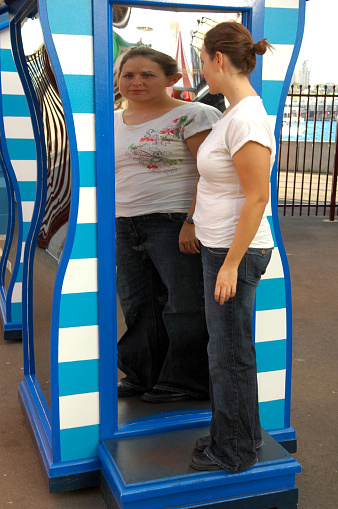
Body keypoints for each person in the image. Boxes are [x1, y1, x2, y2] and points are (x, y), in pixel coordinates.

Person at [190, 22, 275, 471]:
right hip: (222, 249)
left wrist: (230, 265)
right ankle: (240, 436)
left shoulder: (245, 118)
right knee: (228, 350)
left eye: (203, 60)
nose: (202, 67)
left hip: (233, 255)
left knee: (229, 354)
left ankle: (235, 451)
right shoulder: (232, 111)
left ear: (217, 60)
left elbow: (257, 196)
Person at [114, 46, 221, 403]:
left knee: (184, 303)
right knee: (137, 302)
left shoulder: (195, 114)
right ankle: (143, 375)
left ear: (172, 79)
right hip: (123, 222)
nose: (136, 82)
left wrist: (192, 220)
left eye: (147, 75)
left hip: (174, 221)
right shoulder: (110, 119)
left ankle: (187, 381)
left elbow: (212, 174)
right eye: (128, 74)